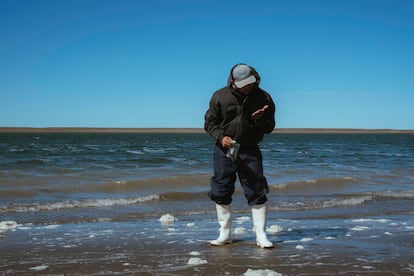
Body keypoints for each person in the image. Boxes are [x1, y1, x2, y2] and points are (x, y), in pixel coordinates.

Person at [204, 63, 276, 248]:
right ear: (234, 81)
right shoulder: (219, 96)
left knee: (256, 189)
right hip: (225, 150)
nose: (248, 87)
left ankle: (261, 235)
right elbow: (209, 124)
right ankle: (225, 234)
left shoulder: (263, 97)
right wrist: (221, 137)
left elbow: (269, 127)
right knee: (220, 189)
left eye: (250, 82)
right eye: (244, 84)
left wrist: (259, 120)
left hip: (250, 149)